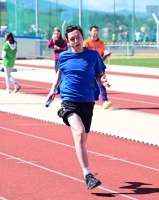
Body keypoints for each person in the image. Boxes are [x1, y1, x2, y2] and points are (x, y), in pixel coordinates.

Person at [46, 25, 111, 190]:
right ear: (68, 42)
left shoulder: (93, 55)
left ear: (83, 37)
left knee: (81, 139)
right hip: (69, 99)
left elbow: (99, 74)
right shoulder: (64, 56)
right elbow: (60, 72)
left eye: (78, 37)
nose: (76, 41)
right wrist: (53, 89)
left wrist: (103, 80)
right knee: (80, 132)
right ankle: (88, 174)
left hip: (88, 101)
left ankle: (86, 172)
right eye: (72, 39)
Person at [83, 26, 113, 110]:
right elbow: (84, 54)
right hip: (90, 66)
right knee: (89, 84)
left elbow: (102, 56)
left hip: (99, 66)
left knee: (101, 83)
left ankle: (105, 101)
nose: (95, 32)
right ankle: (86, 101)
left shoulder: (101, 43)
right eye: (94, 31)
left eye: (97, 31)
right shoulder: (87, 43)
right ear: (90, 32)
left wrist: (106, 55)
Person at [47, 27, 68, 93]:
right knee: (57, 74)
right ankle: (58, 89)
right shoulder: (54, 40)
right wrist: (52, 39)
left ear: (60, 33)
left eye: (57, 33)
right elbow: (48, 45)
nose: (56, 34)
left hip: (62, 59)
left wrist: (59, 48)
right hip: (56, 59)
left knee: (62, 74)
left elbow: (65, 48)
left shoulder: (63, 40)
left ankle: (63, 87)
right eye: (55, 33)